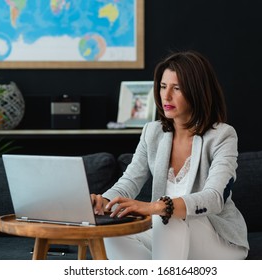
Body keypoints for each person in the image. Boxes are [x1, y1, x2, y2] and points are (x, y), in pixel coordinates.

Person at [91, 50, 250, 260]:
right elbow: (129, 182)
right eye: (163, 87)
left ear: (197, 91)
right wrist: (104, 202)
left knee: (167, 214)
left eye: (177, 88)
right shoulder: (152, 132)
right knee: (110, 233)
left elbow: (214, 198)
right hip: (168, 236)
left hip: (217, 238)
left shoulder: (222, 136)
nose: (166, 96)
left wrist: (156, 206)